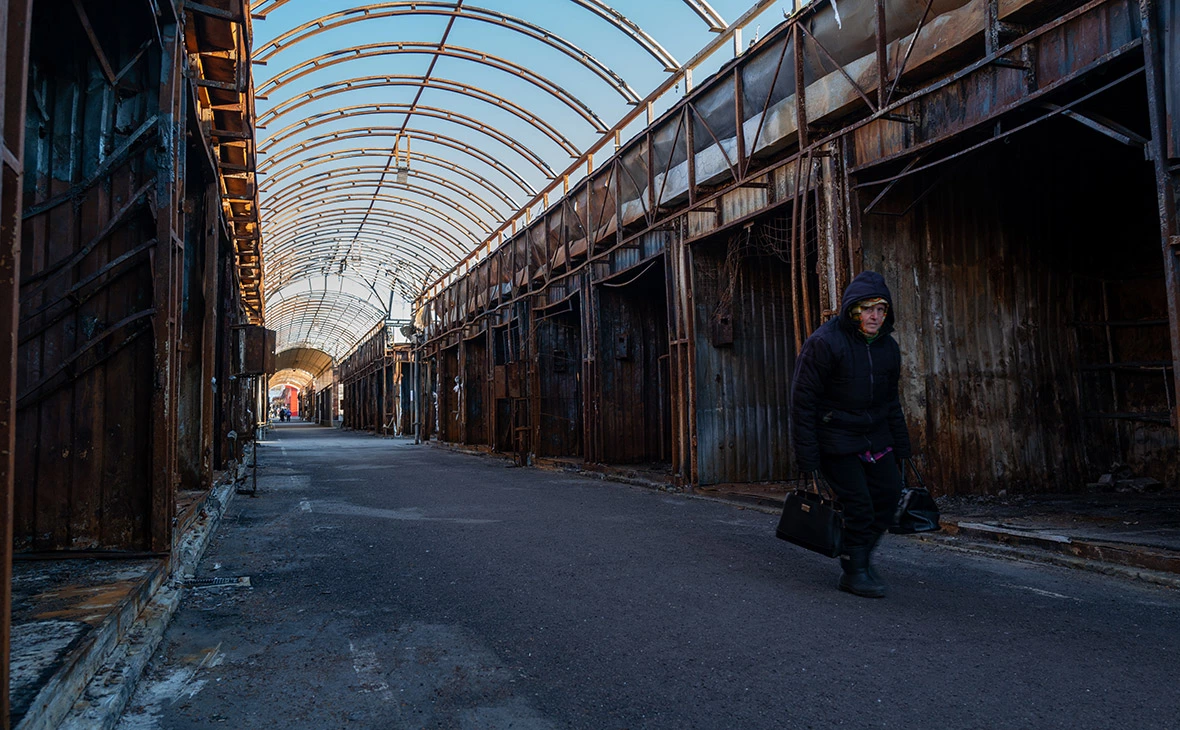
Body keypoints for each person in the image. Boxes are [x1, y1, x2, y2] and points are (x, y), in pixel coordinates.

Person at [791, 270, 912, 598]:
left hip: (875, 437)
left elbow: (891, 401)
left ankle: (858, 554)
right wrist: (808, 455)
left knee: (888, 497)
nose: (875, 316)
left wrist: (902, 446)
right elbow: (803, 401)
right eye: (868, 308)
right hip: (836, 438)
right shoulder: (825, 343)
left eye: (881, 309)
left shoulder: (888, 348)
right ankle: (854, 570)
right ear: (853, 310)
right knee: (859, 505)